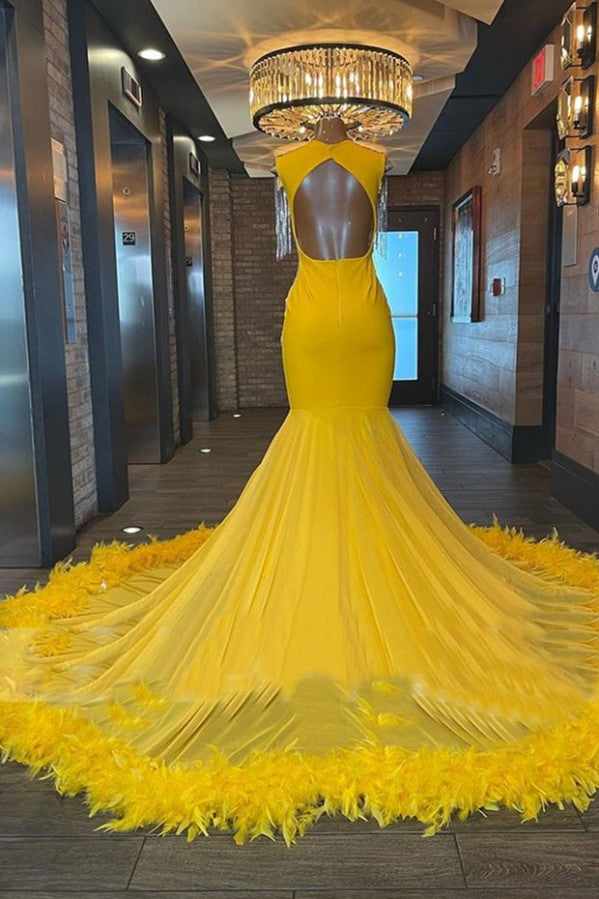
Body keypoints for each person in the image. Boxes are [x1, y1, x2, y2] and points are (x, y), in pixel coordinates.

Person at [1, 114, 599, 846]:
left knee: (327, 429)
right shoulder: (356, 156)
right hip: (360, 312)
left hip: (313, 314)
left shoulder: (306, 159)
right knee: (350, 431)